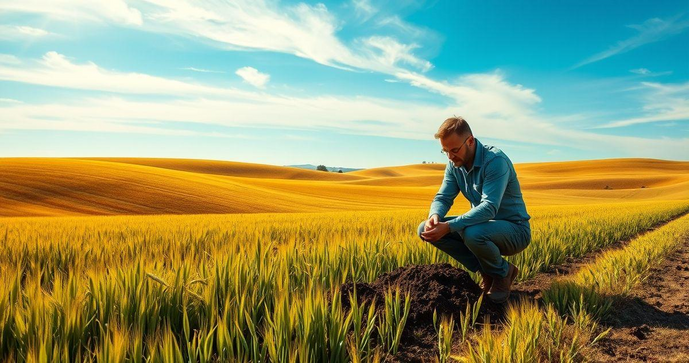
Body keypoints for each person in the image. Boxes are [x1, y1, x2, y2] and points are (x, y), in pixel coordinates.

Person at [418, 116, 531, 303]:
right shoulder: (454, 165)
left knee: (472, 233)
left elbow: (489, 208)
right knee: (424, 229)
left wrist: (449, 226)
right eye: (445, 151)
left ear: (470, 141)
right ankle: (486, 272)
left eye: (454, 150)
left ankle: (503, 273)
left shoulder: (495, 161)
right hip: (483, 227)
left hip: (515, 231)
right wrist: (435, 216)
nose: (450, 157)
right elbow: (443, 197)